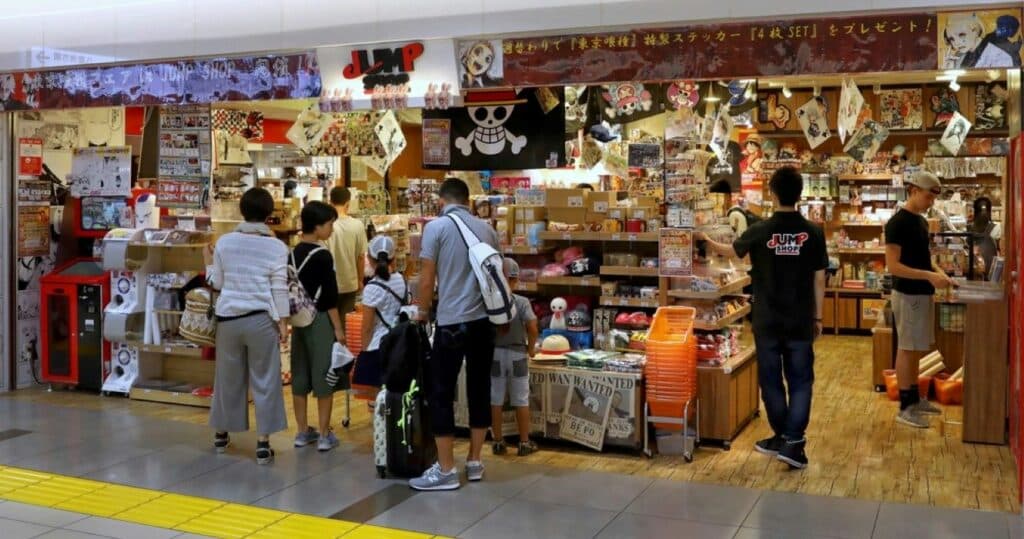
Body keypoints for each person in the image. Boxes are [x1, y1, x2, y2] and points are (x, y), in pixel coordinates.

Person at [698, 167, 828, 469]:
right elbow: (819, 278)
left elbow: (731, 252)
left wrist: (704, 238)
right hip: (800, 319)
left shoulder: (760, 229)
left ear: (772, 193)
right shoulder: (813, 231)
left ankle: (784, 437)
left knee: (770, 380)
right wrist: (818, 317)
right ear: (800, 193)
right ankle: (792, 440)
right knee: (800, 380)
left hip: (767, 318)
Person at [411, 177, 500, 491]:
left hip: (452, 321)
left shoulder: (435, 228)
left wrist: (421, 311)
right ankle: (475, 461)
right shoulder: (488, 229)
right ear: (468, 200)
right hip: (484, 322)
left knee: (441, 392)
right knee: (479, 388)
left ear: (441, 200)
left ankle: (447, 469)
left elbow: (426, 279)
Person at [204, 187, 290, 465]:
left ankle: (221, 434)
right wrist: (284, 322)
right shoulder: (277, 247)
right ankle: (263, 443)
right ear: (269, 214)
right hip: (261, 320)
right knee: (265, 378)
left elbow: (216, 284)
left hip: (228, 319)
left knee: (228, 377)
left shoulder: (225, 243)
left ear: (242, 211)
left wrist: (208, 263)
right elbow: (279, 288)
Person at [884, 171, 955, 428]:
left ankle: (914, 399)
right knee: (906, 347)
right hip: (907, 294)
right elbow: (893, 266)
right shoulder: (897, 223)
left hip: (922, 292)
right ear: (913, 190)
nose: (931, 202)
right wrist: (928, 275)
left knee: (916, 348)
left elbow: (924, 259)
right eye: (928, 196)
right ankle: (905, 407)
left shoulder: (921, 222)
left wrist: (940, 273)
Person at [290, 201, 344, 452]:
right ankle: (324, 434)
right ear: (319, 225)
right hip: (320, 319)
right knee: (324, 374)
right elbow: (330, 297)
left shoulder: (291, 252)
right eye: (330, 223)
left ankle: (301, 431)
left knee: (299, 375)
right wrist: (338, 329)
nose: (332, 228)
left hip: (297, 319)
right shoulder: (323, 255)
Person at [490, 259, 539, 457]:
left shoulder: (491, 300)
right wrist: (531, 348)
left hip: (495, 354)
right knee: (521, 399)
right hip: (518, 354)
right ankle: (524, 442)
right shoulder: (522, 302)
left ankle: (498, 441)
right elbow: (533, 328)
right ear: (515, 278)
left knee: (496, 399)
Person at [354, 235, 409, 391]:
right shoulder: (401, 280)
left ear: (370, 260)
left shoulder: (372, 288)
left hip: (377, 346)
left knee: (377, 400)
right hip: (399, 344)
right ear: (393, 259)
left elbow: (367, 327)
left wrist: (364, 352)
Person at [326, 187, 368, 334]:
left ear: (330, 202)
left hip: (329, 284)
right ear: (348, 203)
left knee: (330, 326)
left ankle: (331, 354)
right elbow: (361, 257)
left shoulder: (326, 225)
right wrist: (360, 279)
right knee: (345, 325)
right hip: (350, 283)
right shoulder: (357, 225)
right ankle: (343, 355)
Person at [971, 196, 1001, 277]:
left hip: (985, 270)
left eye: (985, 210)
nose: (983, 213)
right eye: (981, 210)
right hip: (974, 270)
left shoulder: (995, 228)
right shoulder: (996, 228)